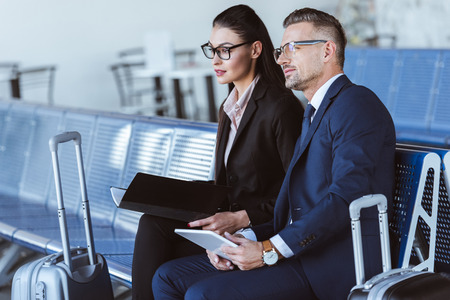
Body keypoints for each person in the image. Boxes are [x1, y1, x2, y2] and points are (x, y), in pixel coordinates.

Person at [152, 7, 396, 300]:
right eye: (281, 50)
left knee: (202, 295)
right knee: (168, 278)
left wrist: (269, 250)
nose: (281, 58)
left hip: (326, 265)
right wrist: (241, 241)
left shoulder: (355, 103)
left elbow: (347, 197)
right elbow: (292, 209)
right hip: (296, 254)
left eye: (293, 48)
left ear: (327, 50)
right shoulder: (314, 114)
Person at [131, 5, 303, 299]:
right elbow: (229, 185)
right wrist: (173, 197)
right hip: (226, 224)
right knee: (153, 222)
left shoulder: (280, 107)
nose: (215, 60)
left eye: (225, 50)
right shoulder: (229, 107)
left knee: (164, 268)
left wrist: (241, 218)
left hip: (260, 231)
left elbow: (298, 193)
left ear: (255, 49)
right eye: (212, 50)